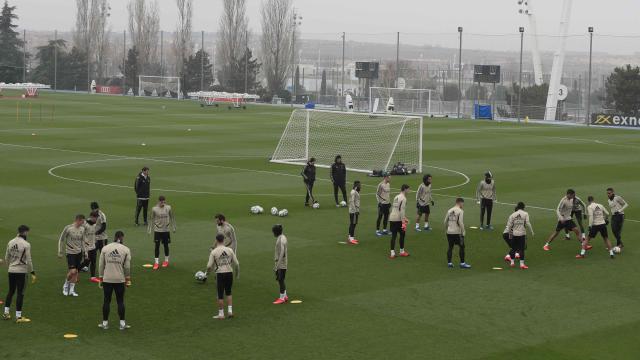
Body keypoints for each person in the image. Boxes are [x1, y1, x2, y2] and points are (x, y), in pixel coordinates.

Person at [98, 231, 132, 330]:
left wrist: (101, 278)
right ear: (122, 238)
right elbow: (127, 267)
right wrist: (128, 279)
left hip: (107, 279)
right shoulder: (125, 249)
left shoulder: (105, 248)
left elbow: (101, 265)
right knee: (120, 301)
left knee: (106, 301)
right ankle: (122, 324)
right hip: (120, 279)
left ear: (114, 237)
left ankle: (105, 324)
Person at [3, 225, 36, 323]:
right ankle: (18, 317)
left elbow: (6, 257)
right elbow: (29, 260)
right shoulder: (26, 244)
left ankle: (6, 313)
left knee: (11, 291)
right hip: (21, 272)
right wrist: (32, 272)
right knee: (20, 293)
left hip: (11, 270)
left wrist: (11, 266)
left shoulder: (10, 242)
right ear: (25, 232)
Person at [206, 234, 240, 319]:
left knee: (220, 294)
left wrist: (207, 273)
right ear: (224, 240)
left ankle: (221, 314)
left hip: (220, 274)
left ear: (216, 240)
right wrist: (237, 273)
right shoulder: (230, 250)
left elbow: (209, 266)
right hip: (229, 273)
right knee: (228, 292)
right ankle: (230, 311)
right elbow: (237, 264)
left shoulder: (214, 252)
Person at [58, 215, 88, 297]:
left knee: (76, 272)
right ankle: (65, 285)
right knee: (72, 271)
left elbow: (83, 241)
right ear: (78, 220)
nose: (84, 223)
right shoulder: (68, 228)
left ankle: (71, 291)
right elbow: (61, 239)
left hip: (79, 253)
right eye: (82, 221)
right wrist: (60, 251)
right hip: (70, 253)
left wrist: (85, 252)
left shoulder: (82, 229)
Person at [148, 196, 176, 270]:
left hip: (166, 230)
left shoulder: (168, 207)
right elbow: (151, 218)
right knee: (157, 246)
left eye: (164, 202)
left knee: (166, 245)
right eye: (162, 202)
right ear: (159, 201)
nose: (163, 203)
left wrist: (173, 227)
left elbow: (172, 216)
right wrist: (149, 229)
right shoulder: (154, 209)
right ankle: (156, 262)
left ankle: (166, 261)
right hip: (157, 230)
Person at [505, 202, 534, 269]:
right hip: (522, 234)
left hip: (514, 234)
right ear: (523, 207)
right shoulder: (525, 214)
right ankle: (522, 264)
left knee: (513, 248)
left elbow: (509, 226)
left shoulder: (512, 215)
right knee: (521, 249)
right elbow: (528, 223)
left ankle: (512, 263)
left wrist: (510, 235)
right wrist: (532, 231)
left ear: (517, 207)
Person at [445, 198, 471, 269]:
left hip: (449, 232)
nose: (463, 205)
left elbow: (445, 221)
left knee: (450, 247)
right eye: (463, 203)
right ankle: (462, 263)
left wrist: (446, 229)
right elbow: (460, 222)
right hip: (457, 233)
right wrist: (463, 230)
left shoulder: (449, 210)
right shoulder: (460, 211)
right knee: (462, 246)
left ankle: (449, 263)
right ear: (460, 203)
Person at [389, 184, 410, 259]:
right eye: (408, 189)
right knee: (402, 234)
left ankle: (392, 253)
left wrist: (404, 218)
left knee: (394, 235)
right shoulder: (403, 198)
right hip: (398, 219)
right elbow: (401, 210)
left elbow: (395, 208)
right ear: (405, 189)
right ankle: (402, 251)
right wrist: (403, 221)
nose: (409, 191)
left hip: (392, 218)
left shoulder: (396, 196)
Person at [80, 212, 100, 283]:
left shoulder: (94, 225)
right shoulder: (85, 225)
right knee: (86, 262)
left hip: (93, 246)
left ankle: (93, 277)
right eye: (95, 218)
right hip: (86, 247)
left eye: (97, 218)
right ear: (91, 217)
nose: (96, 220)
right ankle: (76, 271)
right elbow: (80, 234)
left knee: (94, 262)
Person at [272, 225, 288, 304]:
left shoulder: (281, 240)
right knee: (281, 279)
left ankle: (281, 298)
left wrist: (277, 265)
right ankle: (285, 295)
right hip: (282, 262)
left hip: (281, 264)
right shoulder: (283, 237)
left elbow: (282, 252)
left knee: (280, 280)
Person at [347, 181, 361, 245]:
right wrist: (355, 211)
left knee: (352, 223)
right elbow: (352, 202)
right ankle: (352, 238)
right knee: (353, 224)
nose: (360, 187)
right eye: (359, 185)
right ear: (356, 186)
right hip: (353, 211)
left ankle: (350, 237)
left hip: (353, 210)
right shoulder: (353, 192)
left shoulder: (354, 191)